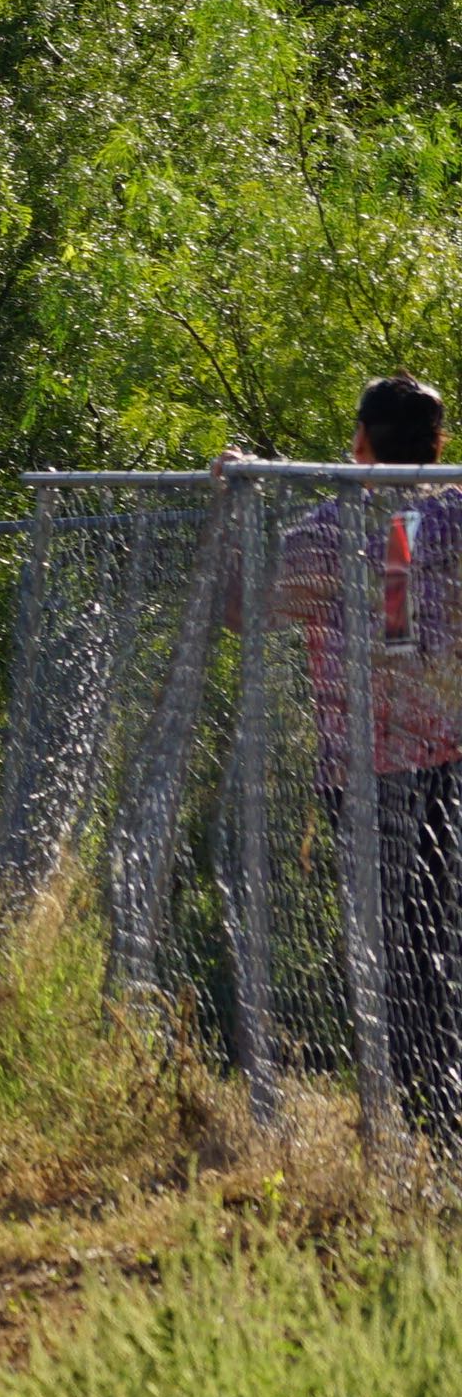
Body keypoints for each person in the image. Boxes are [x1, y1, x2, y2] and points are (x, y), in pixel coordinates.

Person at [273, 376, 462, 1144]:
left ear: (359, 440)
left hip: (364, 768)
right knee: (440, 932)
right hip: (450, 761)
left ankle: (414, 1099)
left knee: (388, 938)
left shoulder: (328, 524)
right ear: (439, 445)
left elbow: (246, 613)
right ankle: (434, 1095)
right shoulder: (454, 515)